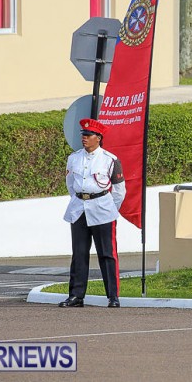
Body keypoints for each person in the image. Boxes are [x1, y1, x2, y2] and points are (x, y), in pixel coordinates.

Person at [60, 118, 126, 308]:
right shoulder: (74, 158)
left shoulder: (109, 159)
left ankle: (112, 296)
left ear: (98, 138)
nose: (84, 138)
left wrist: (110, 208)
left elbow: (119, 191)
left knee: (107, 254)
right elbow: (71, 184)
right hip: (79, 208)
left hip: (102, 208)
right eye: (83, 134)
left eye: (88, 135)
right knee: (79, 254)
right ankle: (76, 296)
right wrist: (81, 198)